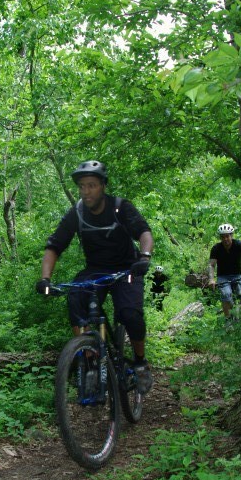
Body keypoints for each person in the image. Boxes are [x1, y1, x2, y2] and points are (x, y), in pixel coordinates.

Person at [35, 160, 154, 393]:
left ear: (103, 186)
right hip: (95, 269)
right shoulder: (77, 213)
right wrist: (45, 279)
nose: (86, 191)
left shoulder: (120, 207)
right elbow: (54, 246)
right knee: (76, 298)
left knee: (130, 314)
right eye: (82, 186)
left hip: (127, 268)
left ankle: (140, 363)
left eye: (91, 185)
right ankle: (88, 359)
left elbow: (144, 232)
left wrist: (145, 257)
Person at [208, 223, 241, 319]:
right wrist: (211, 279)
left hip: (238, 275)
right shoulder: (216, 248)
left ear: (231, 235)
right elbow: (211, 264)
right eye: (223, 237)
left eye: (227, 236)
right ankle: (229, 321)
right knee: (226, 295)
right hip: (223, 276)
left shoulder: (238, 244)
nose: (225, 239)